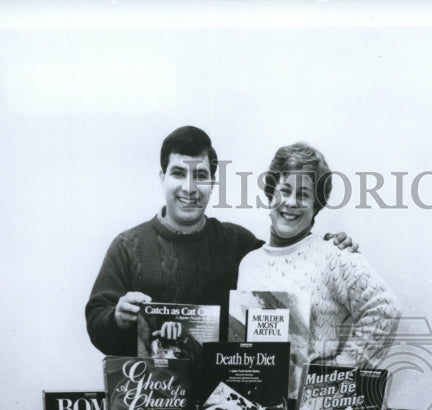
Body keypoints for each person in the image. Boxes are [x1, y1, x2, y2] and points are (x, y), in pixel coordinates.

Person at [86, 126, 356, 354]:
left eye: (200, 176)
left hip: (224, 405)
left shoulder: (237, 243)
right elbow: (97, 320)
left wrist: (328, 246)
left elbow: (285, 261)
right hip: (154, 402)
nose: (190, 188)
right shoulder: (128, 246)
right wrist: (116, 318)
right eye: (178, 173)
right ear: (162, 177)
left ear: (213, 183)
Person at [237, 142, 401, 393]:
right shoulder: (248, 264)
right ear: (271, 194)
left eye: (303, 195)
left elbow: (385, 309)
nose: (291, 202)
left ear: (316, 205)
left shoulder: (334, 255)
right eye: (285, 190)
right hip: (259, 407)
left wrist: (340, 373)